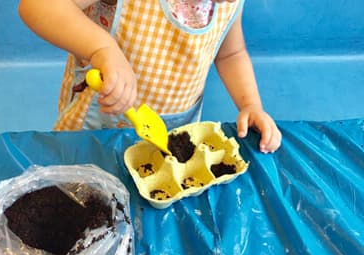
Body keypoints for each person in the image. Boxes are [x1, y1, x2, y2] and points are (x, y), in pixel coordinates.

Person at [18, 0, 282, 153]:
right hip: (99, 129)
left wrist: (251, 105)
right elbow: (38, 6)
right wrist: (101, 48)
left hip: (172, 131)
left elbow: (231, 54)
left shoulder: (227, 4)